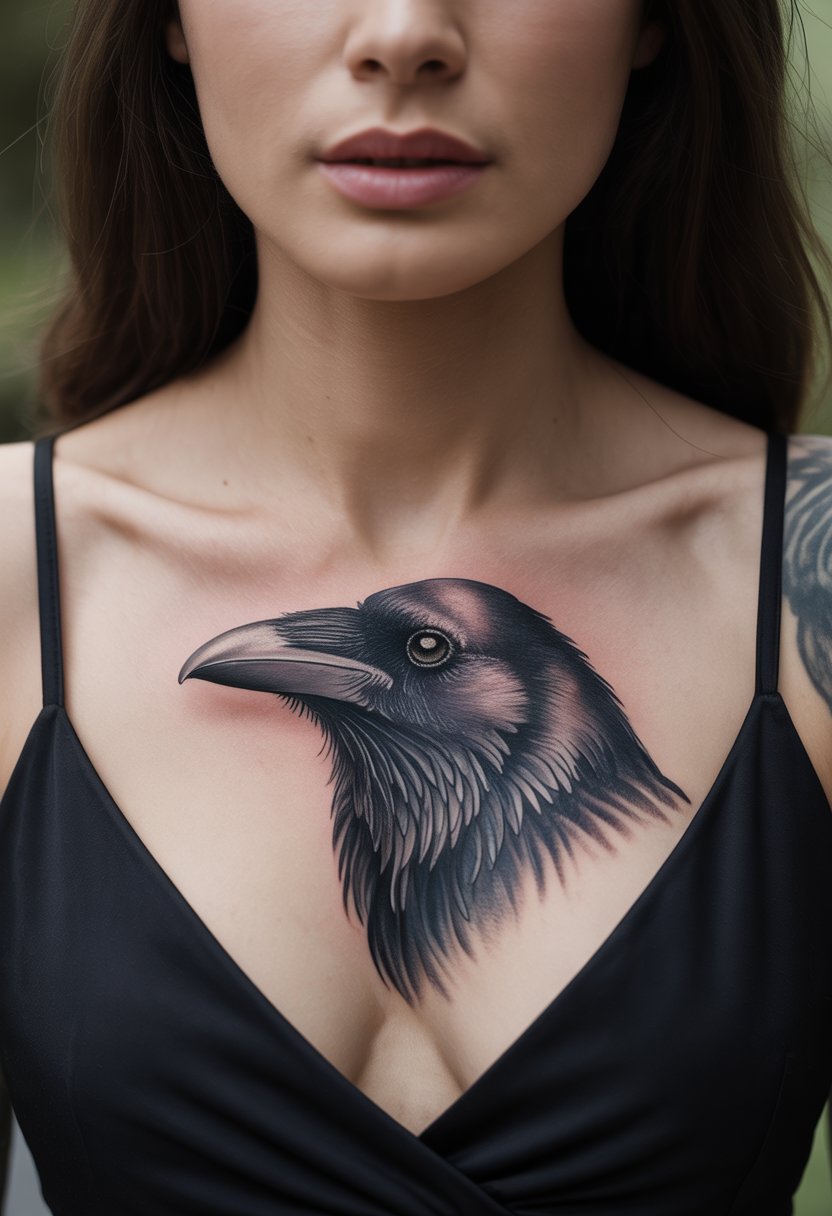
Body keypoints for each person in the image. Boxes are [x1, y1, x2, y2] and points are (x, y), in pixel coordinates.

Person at [0, 0, 831, 1212]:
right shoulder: (15, 577)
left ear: (655, 18)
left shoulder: (804, 576)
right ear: (169, 18)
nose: (402, 33)